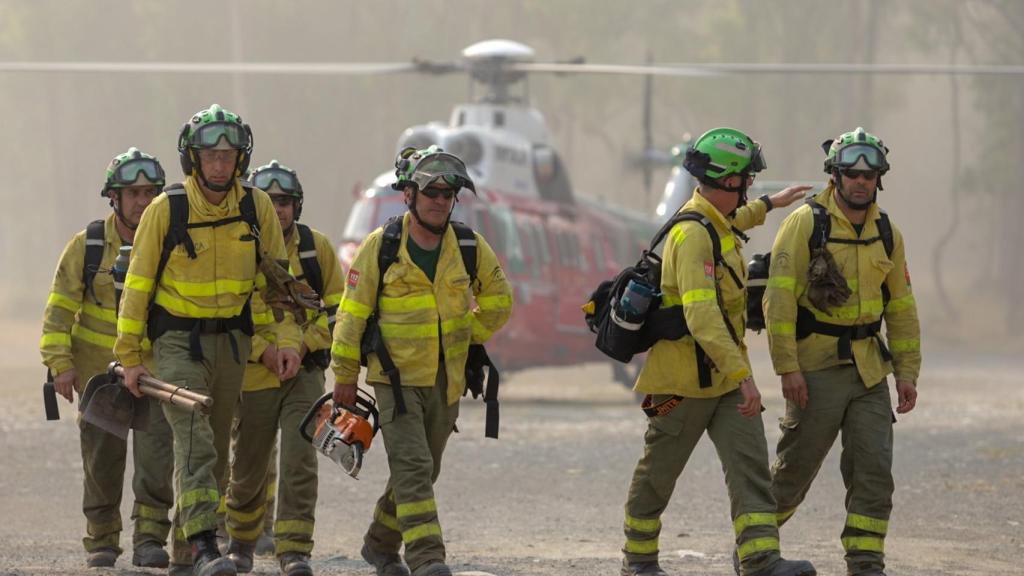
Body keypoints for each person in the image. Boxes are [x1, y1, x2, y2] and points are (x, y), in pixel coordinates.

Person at [114, 104, 303, 576]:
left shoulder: (256, 207)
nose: (220, 163)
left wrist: (282, 341)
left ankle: (184, 559)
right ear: (193, 159)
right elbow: (136, 286)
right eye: (210, 155)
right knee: (195, 441)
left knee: (213, 452)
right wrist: (131, 356)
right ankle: (203, 545)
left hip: (234, 346)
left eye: (228, 155)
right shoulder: (167, 209)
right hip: (177, 343)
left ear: (240, 158)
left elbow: (277, 287)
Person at [619, 128, 816, 576]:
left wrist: (772, 203)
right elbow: (702, 316)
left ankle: (760, 559)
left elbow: (735, 220)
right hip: (681, 384)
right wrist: (744, 376)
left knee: (749, 468)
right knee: (658, 474)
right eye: (745, 180)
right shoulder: (691, 236)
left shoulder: (714, 221)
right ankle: (638, 559)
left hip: (724, 381)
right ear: (727, 181)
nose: (747, 187)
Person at [330, 146, 513, 576]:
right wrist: (343, 376)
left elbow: (500, 301)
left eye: (448, 194)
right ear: (409, 194)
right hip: (394, 382)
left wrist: (469, 337)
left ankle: (379, 543)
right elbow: (351, 314)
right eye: (431, 191)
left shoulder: (468, 246)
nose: (440, 200)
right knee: (412, 467)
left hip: (445, 382)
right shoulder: (381, 247)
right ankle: (428, 557)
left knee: (425, 469)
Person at [764, 128, 920, 576]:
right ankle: (756, 548)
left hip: (870, 371)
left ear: (879, 179)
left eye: (869, 175)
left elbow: (903, 307)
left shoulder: (887, 232)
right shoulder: (805, 223)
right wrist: (786, 368)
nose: (860, 181)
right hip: (815, 368)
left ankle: (866, 562)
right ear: (834, 175)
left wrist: (906, 373)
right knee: (795, 470)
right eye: (851, 173)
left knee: (874, 470)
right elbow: (778, 301)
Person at [40, 147, 174, 568]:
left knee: (156, 459)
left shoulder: (175, 244)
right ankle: (102, 540)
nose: (142, 201)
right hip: (101, 377)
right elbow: (59, 310)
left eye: (151, 192)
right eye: (132, 192)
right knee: (102, 461)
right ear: (113, 197)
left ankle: (151, 539)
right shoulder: (88, 246)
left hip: (154, 373)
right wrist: (61, 364)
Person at [225, 160, 345, 576]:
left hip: (304, 374)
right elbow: (227, 313)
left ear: (297, 206)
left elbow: (338, 312)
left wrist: (304, 346)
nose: (277, 210)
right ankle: (240, 542)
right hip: (254, 373)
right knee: (249, 464)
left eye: (284, 202)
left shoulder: (317, 250)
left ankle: (294, 550)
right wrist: (262, 350)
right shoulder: (236, 249)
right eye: (268, 201)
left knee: (300, 459)